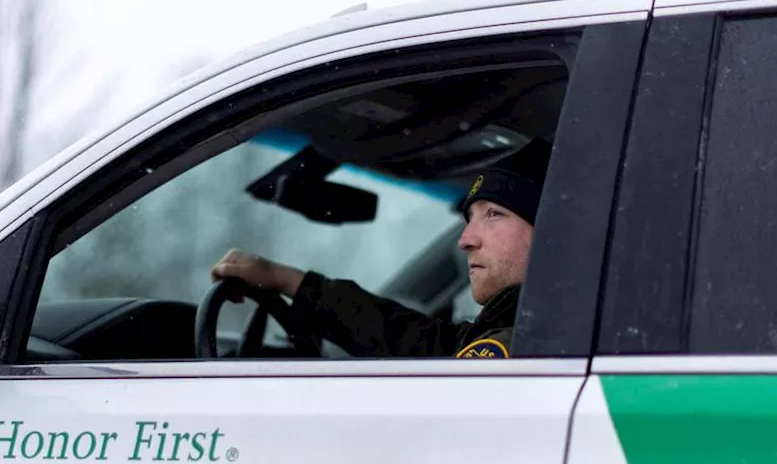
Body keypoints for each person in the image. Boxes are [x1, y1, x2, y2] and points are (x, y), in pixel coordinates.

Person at [210, 138, 552, 358]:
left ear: (555, 232)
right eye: (470, 218)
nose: (465, 240)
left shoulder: (528, 345)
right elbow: (415, 341)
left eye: (494, 214)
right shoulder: (531, 330)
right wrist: (288, 280)